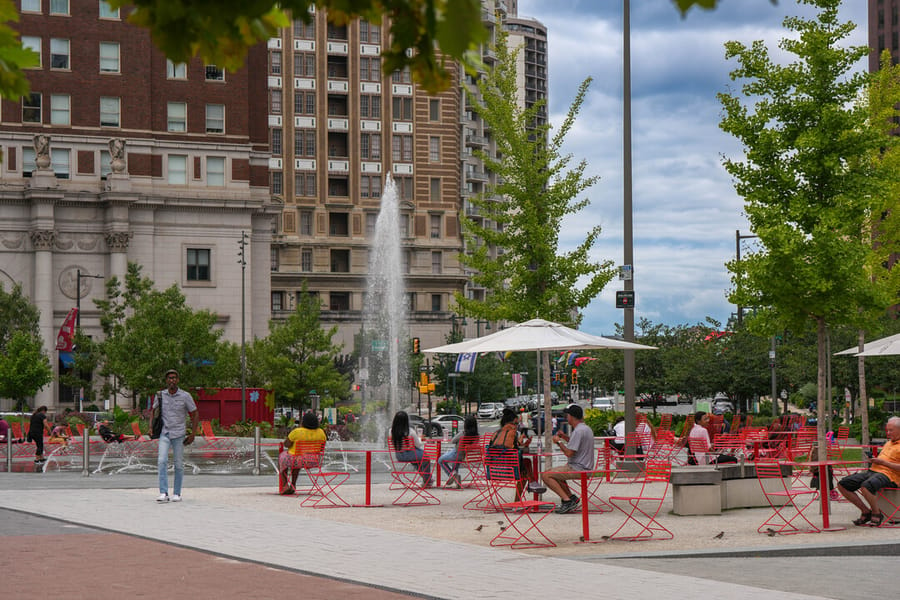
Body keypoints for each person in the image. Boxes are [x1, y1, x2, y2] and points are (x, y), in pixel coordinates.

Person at [837, 416, 900, 527]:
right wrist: (874, 459)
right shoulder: (889, 443)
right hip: (874, 470)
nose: (888, 433)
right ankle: (866, 511)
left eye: (891, 430)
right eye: (887, 430)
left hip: (891, 475)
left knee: (867, 486)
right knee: (843, 484)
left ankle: (877, 513)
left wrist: (884, 463)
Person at [152, 369, 199, 503]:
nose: (172, 380)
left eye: (174, 378)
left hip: (179, 433)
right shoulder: (160, 395)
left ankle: (177, 493)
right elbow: (154, 411)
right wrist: (150, 427)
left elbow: (195, 413)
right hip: (165, 433)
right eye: (169, 378)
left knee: (178, 464)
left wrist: (193, 434)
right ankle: (163, 492)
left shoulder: (185, 396)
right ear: (166, 380)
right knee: (161, 461)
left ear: (177, 380)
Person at [542, 404, 595, 514]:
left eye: (567, 415)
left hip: (578, 468)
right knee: (555, 474)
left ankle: (567, 501)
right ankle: (571, 498)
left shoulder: (578, 431)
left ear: (572, 417)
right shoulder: (585, 428)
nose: (566, 417)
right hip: (584, 466)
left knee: (546, 475)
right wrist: (565, 437)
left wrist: (558, 442)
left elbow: (569, 453)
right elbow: (576, 443)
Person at [488, 408, 535, 501]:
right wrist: (523, 444)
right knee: (525, 473)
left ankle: (532, 482)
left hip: (493, 471)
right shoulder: (513, 432)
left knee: (527, 461)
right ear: (514, 421)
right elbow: (516, 450)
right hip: (509, 471)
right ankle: (529, 487)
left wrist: (522, 444)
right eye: (517, 423)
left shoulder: (496, 433)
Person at [278, 411, 327, 495]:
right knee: (296, 460)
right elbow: (322, 448)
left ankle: (286, 485)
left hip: (298, 460)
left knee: (282, 457)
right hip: (314, 461)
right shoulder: (321, 432)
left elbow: (286, 444)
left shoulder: (297, 432)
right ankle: (293, 485)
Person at [390, 411, 433, 486]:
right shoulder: (410, 431)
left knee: (416, 461)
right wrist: (420, 438)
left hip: (399, 456)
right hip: (410, 454)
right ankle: (427, 480)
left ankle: (427, 480)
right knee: (426, 457)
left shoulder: (391, 431)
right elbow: (418, 445)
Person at [438, 415, 478, 488]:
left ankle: (451, 474)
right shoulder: (477, 436)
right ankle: (457, 481)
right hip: (465, 456)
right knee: (455, 464)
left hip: (457, 454)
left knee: (440, 460)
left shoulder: (463, 433)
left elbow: (453, 441)